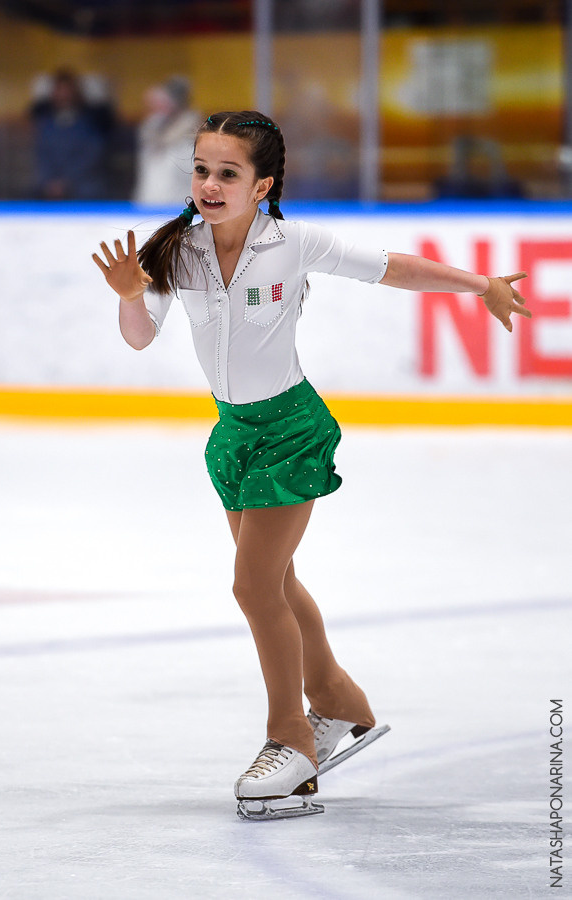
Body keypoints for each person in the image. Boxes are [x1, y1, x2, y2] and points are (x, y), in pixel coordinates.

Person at [92, 110, 532, 821]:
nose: (209, 183)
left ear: (262, 184)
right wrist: (128, 299)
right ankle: (338, 700)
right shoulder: (175, 249)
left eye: (227, 173)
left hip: (292, 430)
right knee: (278, 580)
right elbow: (141, 338)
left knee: (252, 584)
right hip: (231, 435)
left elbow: (392, 269)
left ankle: (290, 742)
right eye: (201, 169)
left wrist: (478, 284)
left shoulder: (291, 243)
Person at [30, 68, 114, 200]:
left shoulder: (91, 123)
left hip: (85, 189)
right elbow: (42, 156)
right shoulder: (46, 124)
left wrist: (66, 182)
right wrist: (50, 182)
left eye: (67, 90)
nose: (64, 95)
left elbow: (92, 156)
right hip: (50, 190)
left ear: (76, 92)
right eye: (59, 90)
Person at [133, 76, 202, 206]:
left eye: (162, 102)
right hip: (147, 204)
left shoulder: (193, 133)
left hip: (177, 207)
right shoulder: (151, 127)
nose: (155, 108)